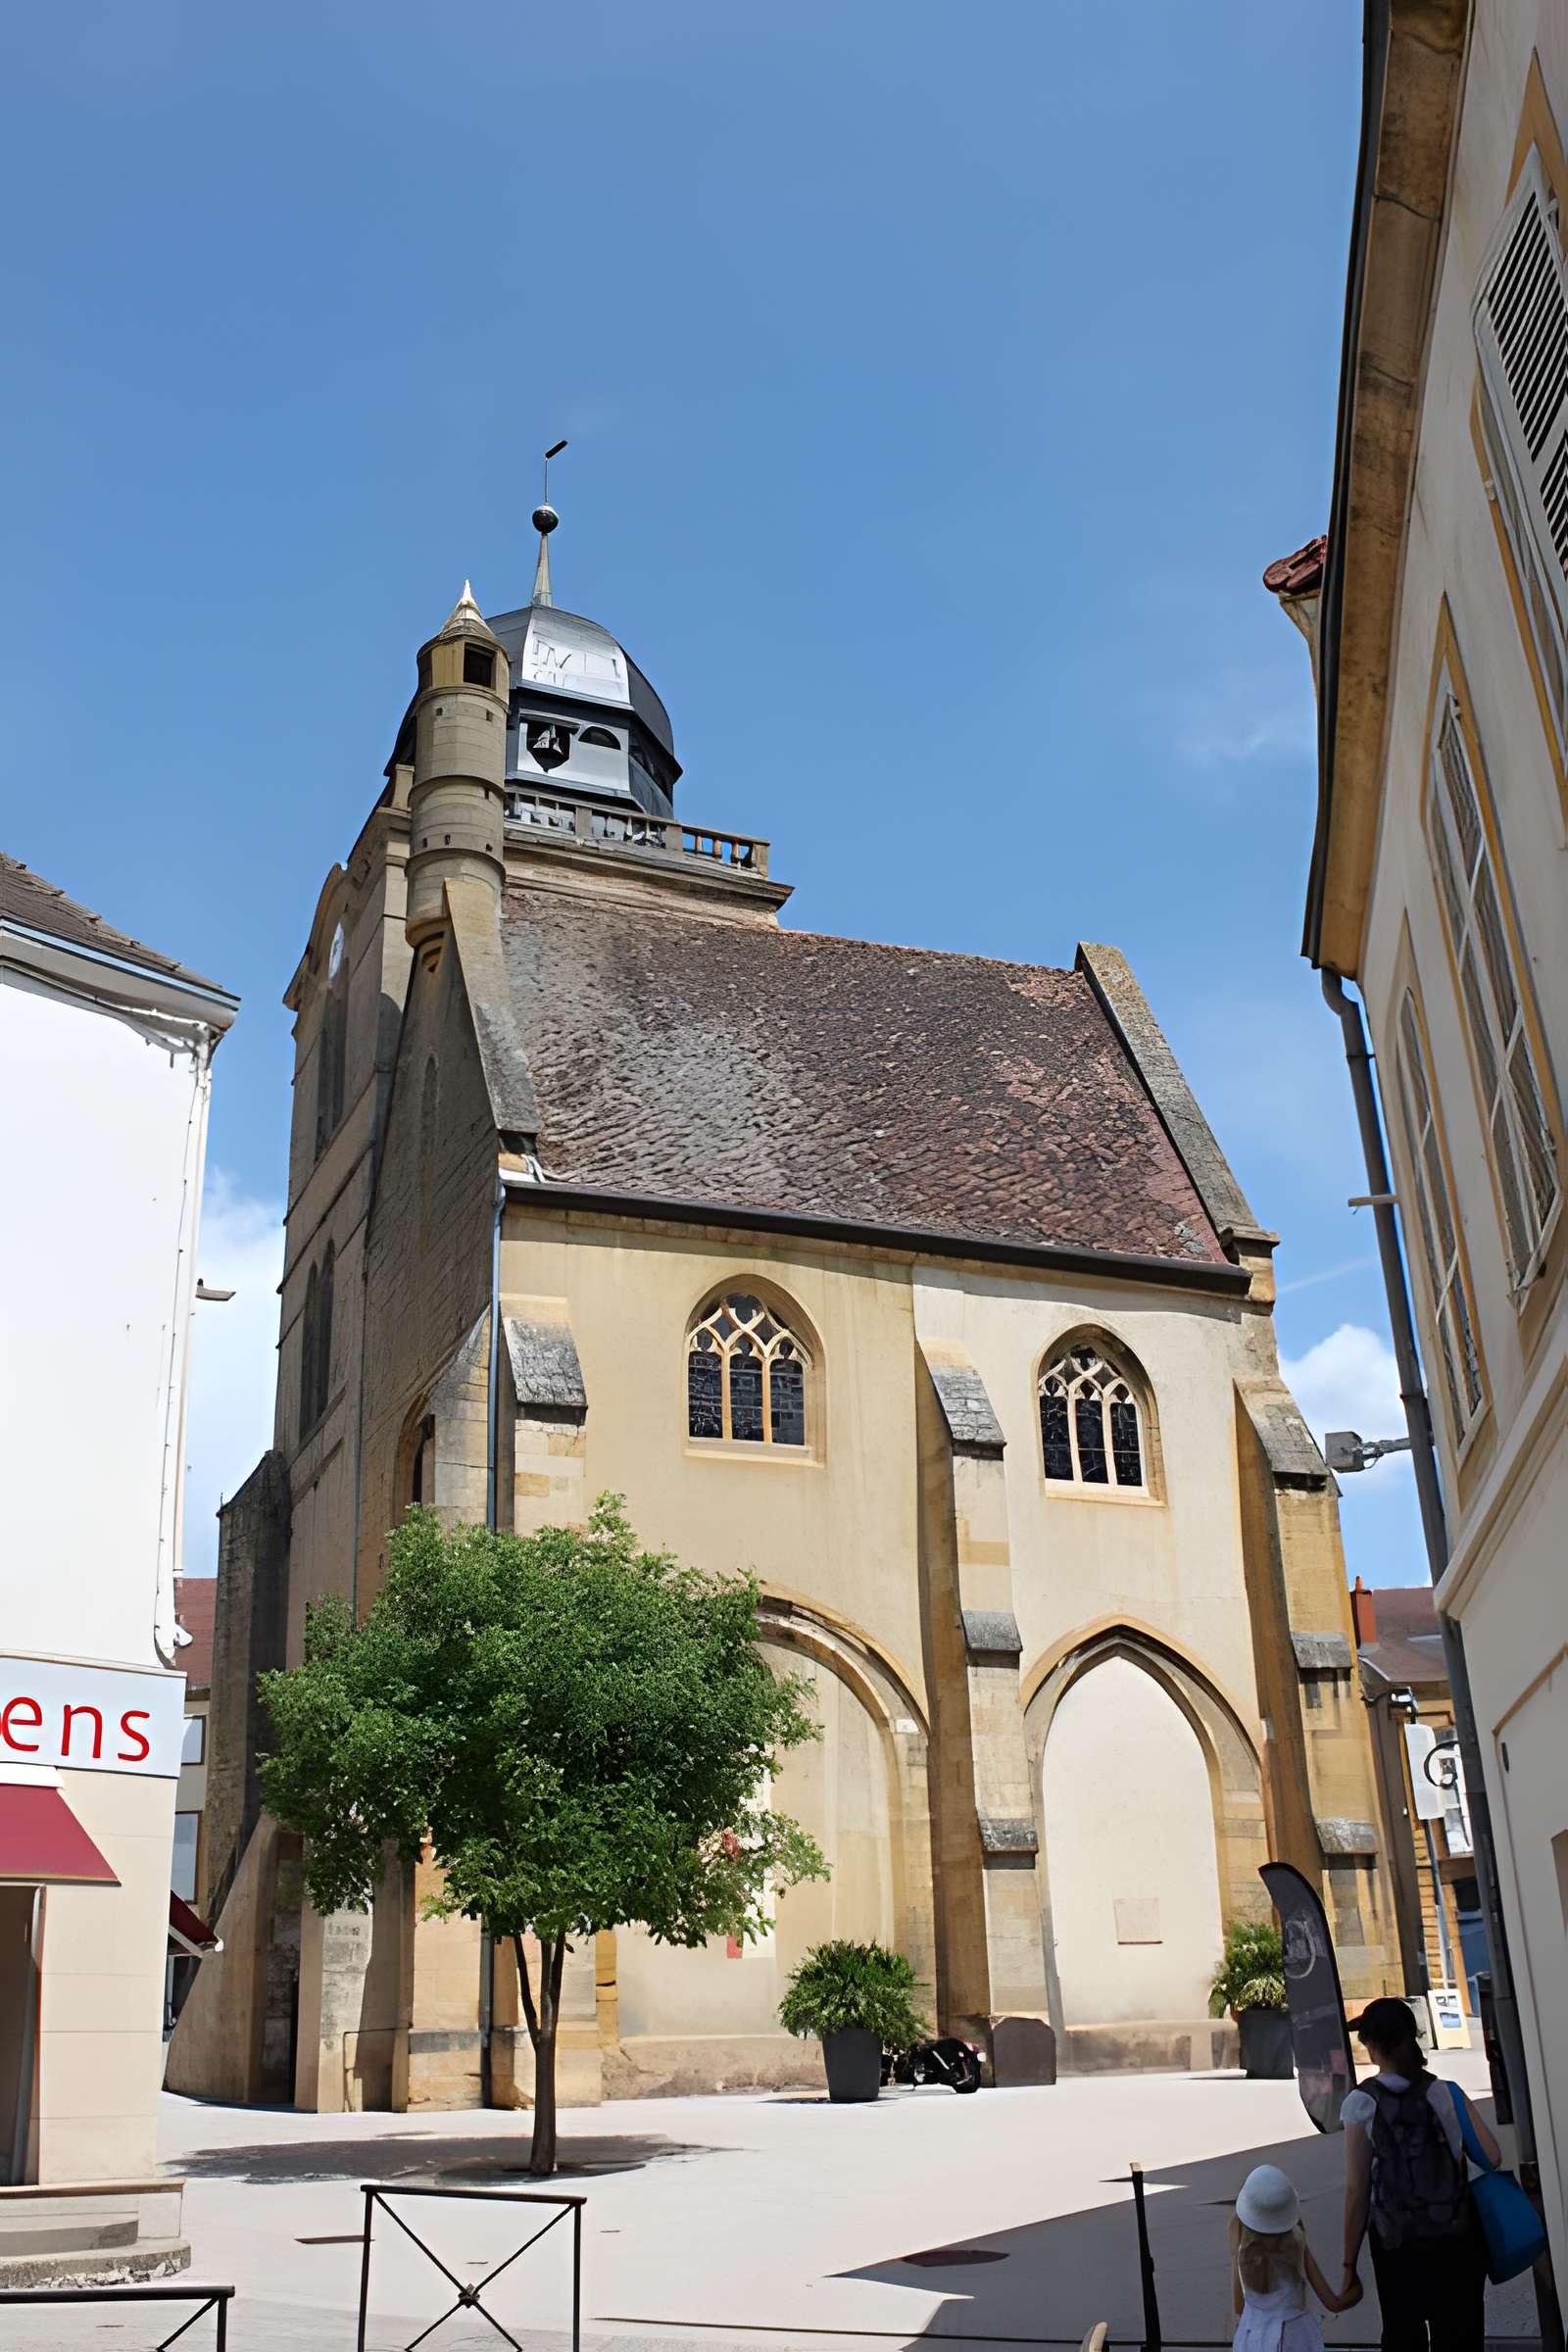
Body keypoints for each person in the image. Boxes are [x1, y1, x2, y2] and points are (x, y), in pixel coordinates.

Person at [1340, 1995, 1499, 2352]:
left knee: (1403, 2337)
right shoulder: (1445, 2092)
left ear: (1371, 2045)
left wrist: (1349, 2263)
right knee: (1460, 2338)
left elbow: (1356, 2191)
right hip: (1457, 2241)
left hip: (1397, 2249)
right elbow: (1492, 2155)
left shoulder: (1361, 2103)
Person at [1232, 2162, 1361, 2352]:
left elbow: (1239, 2308)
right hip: (1294, 2338)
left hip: (1252, 2338)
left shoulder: (1241, 2245)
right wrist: (1356, 2285)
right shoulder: (1297, 2246)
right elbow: (1334, 2303)